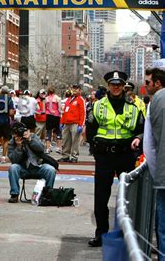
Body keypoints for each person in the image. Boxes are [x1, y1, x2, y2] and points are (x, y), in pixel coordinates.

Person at [88, 70, 144, 247]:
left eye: (119, 84)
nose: (116, 87)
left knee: (127, 197)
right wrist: (95, 151)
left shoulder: (133, 108)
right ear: (108, 86)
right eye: (113, 84)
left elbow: (141, 130)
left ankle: (125, 234)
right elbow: (90, 129)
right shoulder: (98, 106)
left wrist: (138, 140)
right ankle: (101, 234)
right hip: (104, 156)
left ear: (124, 86)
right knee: (101, 197)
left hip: (125, 156)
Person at [132, 63, 165, 257]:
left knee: (162, 227)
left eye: (147, 83)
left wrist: (156, 174)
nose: (145, 87)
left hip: (162, 175)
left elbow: (151, 146)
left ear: (158, 83)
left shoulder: (157, 102)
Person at [7, 122, 57, 203]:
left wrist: (30, 140)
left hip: (37, 167)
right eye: (15, 134)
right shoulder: (12, 142)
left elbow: (42, 149)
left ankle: (48, 195)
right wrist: (19, 147)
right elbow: (14, 160)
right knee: (13, 168)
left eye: (18, 133)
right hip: (23, 169)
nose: (16, 136)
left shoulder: (33, 136)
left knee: (50, 169)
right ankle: (14, 194)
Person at [59, 84, 85, 163]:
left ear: (80, 90)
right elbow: (64, 112)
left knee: (75, 141)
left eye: (76, 89)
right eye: (73, 89)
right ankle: (65, 156)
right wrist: (61, 122)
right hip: (66, 123)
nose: (74, 90)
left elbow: (83, 113)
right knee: (65, 140)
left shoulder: (80, 100)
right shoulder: (69, 99)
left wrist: (81, 125)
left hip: (75, 123)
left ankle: (74, 156)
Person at [0, 86, 15, 163]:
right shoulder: (9, 99)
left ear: (1, 91)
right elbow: (11, 112)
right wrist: (12, 116)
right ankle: (3, 157)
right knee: (6, 139)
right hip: (5, 121)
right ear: (8, 92)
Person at [45, 86, 62, 154]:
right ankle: (58, 147)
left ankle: (48, 148)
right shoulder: (57, 98)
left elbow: (45, 108)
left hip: (49, 116)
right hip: (56, 116)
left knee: (48, 132)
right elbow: (60, 108)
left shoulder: (46, 99)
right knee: (58, 131)